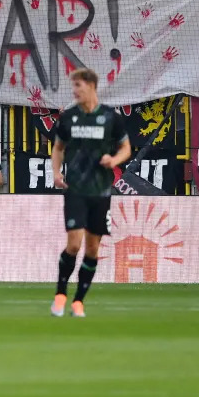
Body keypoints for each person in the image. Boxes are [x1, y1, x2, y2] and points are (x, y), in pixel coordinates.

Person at [50, 68, 132, 318]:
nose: (75, 91)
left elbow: (126, 148)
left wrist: (114, 159)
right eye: (73, 86)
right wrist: (56, 173)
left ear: (92, 87)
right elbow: (58, 148)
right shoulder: (69, 118)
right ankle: (61, 295)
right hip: (75, 189)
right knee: (73, 244)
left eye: (78, 86)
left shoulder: (110, 117)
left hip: (101, 190)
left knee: (93, 249)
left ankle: (78, 302)